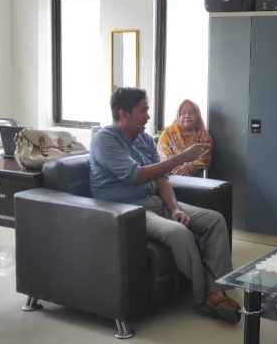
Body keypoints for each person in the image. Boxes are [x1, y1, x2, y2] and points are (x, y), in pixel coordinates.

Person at [89, 88, 241, 324]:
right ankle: (207, 296)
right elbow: (135, 176)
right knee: (179, 232)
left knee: (214, 220)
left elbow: (161, 179)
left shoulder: (144, 139)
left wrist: (175, 209)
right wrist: (181, 158)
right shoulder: (104, 139)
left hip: (156, 202)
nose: (148, 116)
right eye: (143, 111)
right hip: (127, 210)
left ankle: (217, 287)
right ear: (123, 114)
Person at [158, 99, 212, 177]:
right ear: (178, 115)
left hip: (195, 178)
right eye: (183, 113)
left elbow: (205, 158)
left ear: (197, 115)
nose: (187, 116)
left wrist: (189, 167)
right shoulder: (168, 133)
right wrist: (177, 169)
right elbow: (163, 154)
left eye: (191, 112)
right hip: (170, 176)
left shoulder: (203, 134)